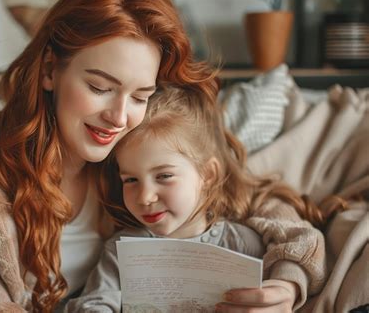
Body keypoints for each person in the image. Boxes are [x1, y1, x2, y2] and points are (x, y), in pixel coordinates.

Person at [0, 0, 325, 312]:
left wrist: (286, 285)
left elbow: (263, 205)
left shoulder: (128, 155)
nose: (120, 117)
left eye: (140, 96)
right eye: (100, 87)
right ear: (51, 70)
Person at [65, 86, 327, 312]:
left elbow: (299, 241)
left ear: (207, 174)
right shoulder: (121, 250)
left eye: (164, 176)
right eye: (130, 180)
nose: (145, 197)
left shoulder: (244, 242)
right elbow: (94, 302)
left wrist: (284, 285)